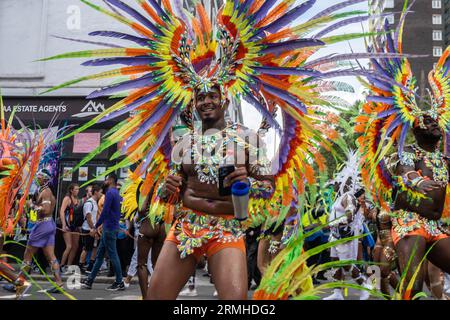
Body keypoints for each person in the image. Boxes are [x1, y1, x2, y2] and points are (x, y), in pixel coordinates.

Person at [18, 169, 63, 293]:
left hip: (43, 226)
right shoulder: (44, 191)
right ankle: (59, 283)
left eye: (39, 176)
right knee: (51, 257)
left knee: (28, 253)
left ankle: (19, 282)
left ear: (45, 179)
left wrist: (31, 205)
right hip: (48, 225)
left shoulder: (46, 192)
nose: (37, 178)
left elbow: (46, 209)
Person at [81, 173, 125, 290]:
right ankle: (90, 281)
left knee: (113, 255)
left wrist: (96, 227)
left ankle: (119, 282)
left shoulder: (110, 193)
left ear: (111, 180)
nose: (104, 181)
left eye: (106, 179)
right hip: (109, 227)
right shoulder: (115, 193)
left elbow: (105, 211)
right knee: (100, 256)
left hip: (109, 228)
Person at [59, 183, 82, 271]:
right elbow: (62, 211)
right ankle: (61, 265)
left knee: (75, 246)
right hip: (67, 226)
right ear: (71, 190)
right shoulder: (67, 199)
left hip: (75, 226)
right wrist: (64, 224)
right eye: (76, 189)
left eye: (78, 189)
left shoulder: (78, 200)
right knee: (69, 246)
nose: (77, 191)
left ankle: (68, 266)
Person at [79, 184, 101, 274]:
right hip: (88, 229)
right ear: (96, 192)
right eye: (100, 192)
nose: (101, 194)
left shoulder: (95, 202)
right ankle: (81, 266)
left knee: (95, 247)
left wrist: (96, 229)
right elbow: (88, 217)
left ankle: (90, 267)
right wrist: (93, 228)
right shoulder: (89, 203)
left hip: (94, 229)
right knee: (86, 248)